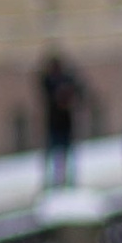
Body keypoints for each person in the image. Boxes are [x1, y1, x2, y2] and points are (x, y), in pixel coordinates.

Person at [37, 49, 90, 188]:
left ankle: (66, 181)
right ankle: (53, 182)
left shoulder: (66, 79)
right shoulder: (50, 81)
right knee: (53, 154)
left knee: (65, 154)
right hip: (55, 124)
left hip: (64, 124)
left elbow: (79, 91)